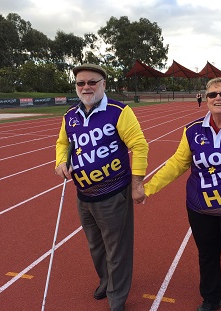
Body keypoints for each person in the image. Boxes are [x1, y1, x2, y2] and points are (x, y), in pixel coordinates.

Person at [143, 77, 221, 311]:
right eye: (212, 95)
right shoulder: (192, 130)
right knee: (207, 256)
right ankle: (211, 299)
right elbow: (177, 164)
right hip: (200, 208)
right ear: (206, 99)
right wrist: (148, 188)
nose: (218, 98)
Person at [55, 63, 148, 311]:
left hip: (114, 193)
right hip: (83, 195)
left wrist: (137, 184)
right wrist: (61, 162)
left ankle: (117, 296)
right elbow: (63, 144)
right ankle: (106, 281)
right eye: (80, 83)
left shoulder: (119, 111)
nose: (86, 87)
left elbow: (139, 146)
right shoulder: (70, 116)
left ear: (103, 84)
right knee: (96, 245)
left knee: (117, 248)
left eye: (92, 82)